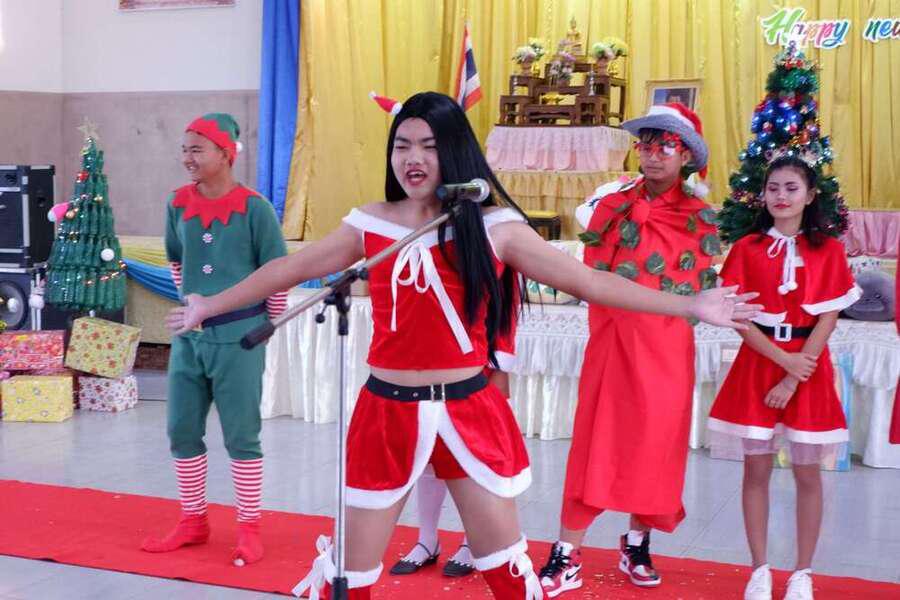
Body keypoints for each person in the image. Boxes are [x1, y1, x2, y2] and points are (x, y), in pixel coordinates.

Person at [167, 92, 759, 599]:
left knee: (506, 571)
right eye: (403, 145)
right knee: (352, 574)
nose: (414, 158)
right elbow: (288, 270)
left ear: (453, 151)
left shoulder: (493, 225)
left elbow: (590, 282)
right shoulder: (371, 223)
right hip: (387, 411)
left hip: (467, 409)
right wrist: (208, 305)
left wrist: (692, 305)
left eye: (428, 146)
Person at [541, 103, 722, 596]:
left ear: (685, 155)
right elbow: (591, 278)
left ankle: (637, 543)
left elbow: (695, 291)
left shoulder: (701, 219)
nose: (653, 155)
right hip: (614, 343)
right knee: (594, 444)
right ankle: (566, 553)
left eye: (666, 146)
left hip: (668, 350)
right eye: (646, 145)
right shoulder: (612, 205)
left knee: (656, 447)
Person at [708, 153, 861, 600]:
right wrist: (780, 360)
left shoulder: (829, 250)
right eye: (773, 188)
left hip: (808, 366)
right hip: (759, 362)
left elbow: (829, 317)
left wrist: (795, 374)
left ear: (810, 195)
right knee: (755, 471)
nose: (781, 196)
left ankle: (802, 573)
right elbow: (738, 317)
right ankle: (759, 569)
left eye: (791, 188)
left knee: (808, 474)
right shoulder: (747, 248)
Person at [142, 113, 288, 567]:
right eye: (184, 149)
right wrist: (191, 308)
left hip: (241, 338)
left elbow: (277, 273)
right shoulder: (177, 203)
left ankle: (249, 527)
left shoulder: (255, 209)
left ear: (226, 153)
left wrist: (269, 326)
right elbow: (176, 261)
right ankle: (193, 520)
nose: (187, 157)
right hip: (190, 338)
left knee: (242, 435)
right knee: (181, 429)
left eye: (197, 149)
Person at [388, 319, 518, 578]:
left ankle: (471, 542)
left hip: (476, 362)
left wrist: (500, 366)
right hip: (429, 356)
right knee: (428, 451)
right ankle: (427, 540)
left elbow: (506, 307)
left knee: (471, 455)